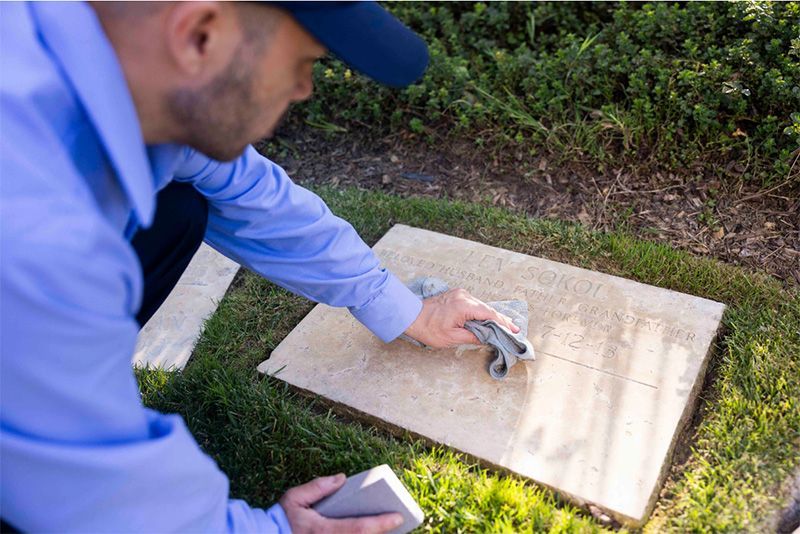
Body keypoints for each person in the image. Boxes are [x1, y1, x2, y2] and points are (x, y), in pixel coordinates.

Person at [0, 2, 519, 532]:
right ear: (200, 35)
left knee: (179, 205)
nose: (304, 89)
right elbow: (100, 496)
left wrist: (405, 310)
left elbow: (252, 194)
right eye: (302, 62)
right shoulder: (35, 235)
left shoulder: (108, 69)